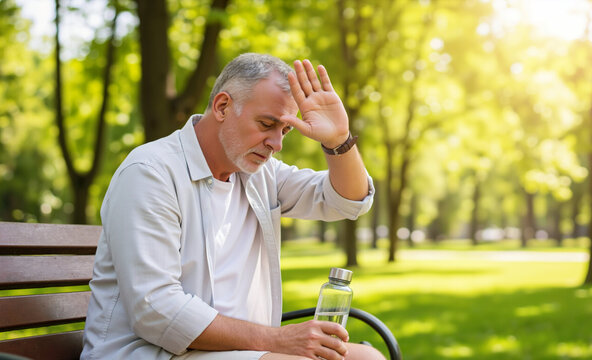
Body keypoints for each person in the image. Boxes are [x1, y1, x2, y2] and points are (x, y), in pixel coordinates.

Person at [81, 53, 383, 360]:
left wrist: (338, 141)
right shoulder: (150, 173)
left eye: (285, 130)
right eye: (267, 124)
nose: (276, 144)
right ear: (222, 106)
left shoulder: (260, 174)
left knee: (370, 358)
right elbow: (156, 310)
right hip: (154, 353)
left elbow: (347, 201)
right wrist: (278, 340)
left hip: (240, 351)